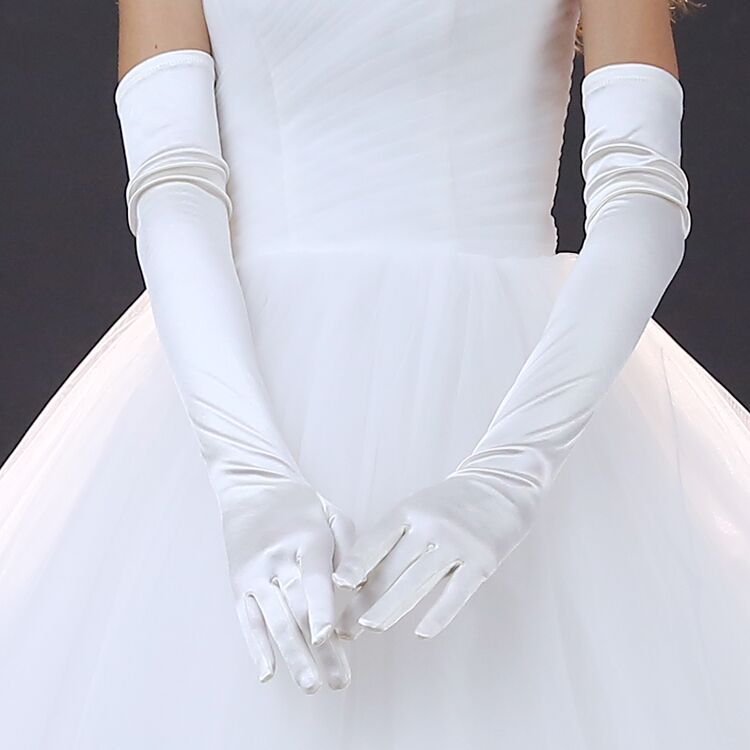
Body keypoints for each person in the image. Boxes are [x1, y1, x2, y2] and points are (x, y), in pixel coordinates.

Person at [1, 0, 749, 747]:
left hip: (519, 380)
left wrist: (513, 467)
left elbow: (641, 190)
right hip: (235, 372)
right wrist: (246, 469)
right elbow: (172, 181)